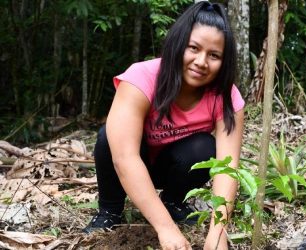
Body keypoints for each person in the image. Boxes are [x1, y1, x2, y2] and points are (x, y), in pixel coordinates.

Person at [83, 1, 245, 249]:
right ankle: (110, 211)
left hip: (173, 166)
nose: (201, 61)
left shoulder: (226, 96)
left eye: (214, 55)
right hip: (135, 161)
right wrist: (165, 228)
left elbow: (227, 168)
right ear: (179, 44)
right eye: (193, 48)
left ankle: (173, 202)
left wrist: (218, 233)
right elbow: (125, 157)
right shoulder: (141, 78)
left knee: (205, 148)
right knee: (109, 138)